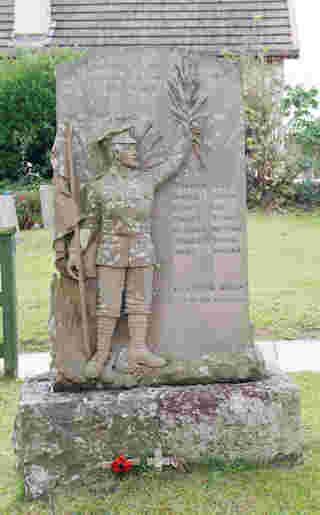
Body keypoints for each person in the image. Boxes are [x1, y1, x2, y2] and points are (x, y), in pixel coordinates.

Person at [65, 122, 195, 377]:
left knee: (139, 302)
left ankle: (138, 348)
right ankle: (101, 354)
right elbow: (89, 224)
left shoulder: (147, 180)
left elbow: (173, 163)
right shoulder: (99, 187)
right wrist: (74, 252)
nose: (137, 152)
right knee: (108, 305)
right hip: (111, 251)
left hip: (142, 249)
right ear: (115, 152)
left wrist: (186, 137)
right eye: (131, 148)